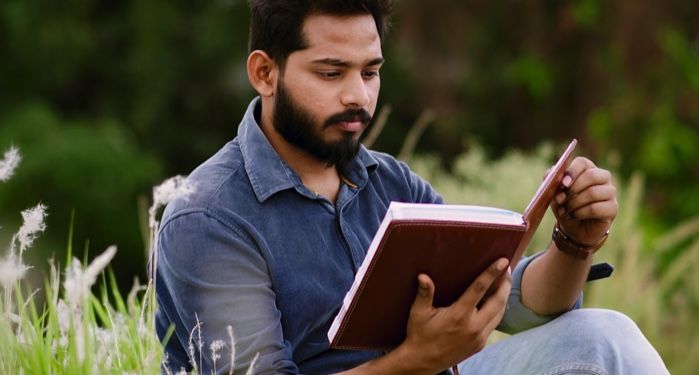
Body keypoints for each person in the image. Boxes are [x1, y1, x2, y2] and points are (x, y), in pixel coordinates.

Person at [154, 1, 669, 374]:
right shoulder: (209, 217)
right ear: (265, 73)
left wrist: (576, 240)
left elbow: (506, 301)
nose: (358, 96)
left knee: (606, 336)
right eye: (331, 73)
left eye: (371, 72)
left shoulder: (389, 182)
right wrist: (417, 362)